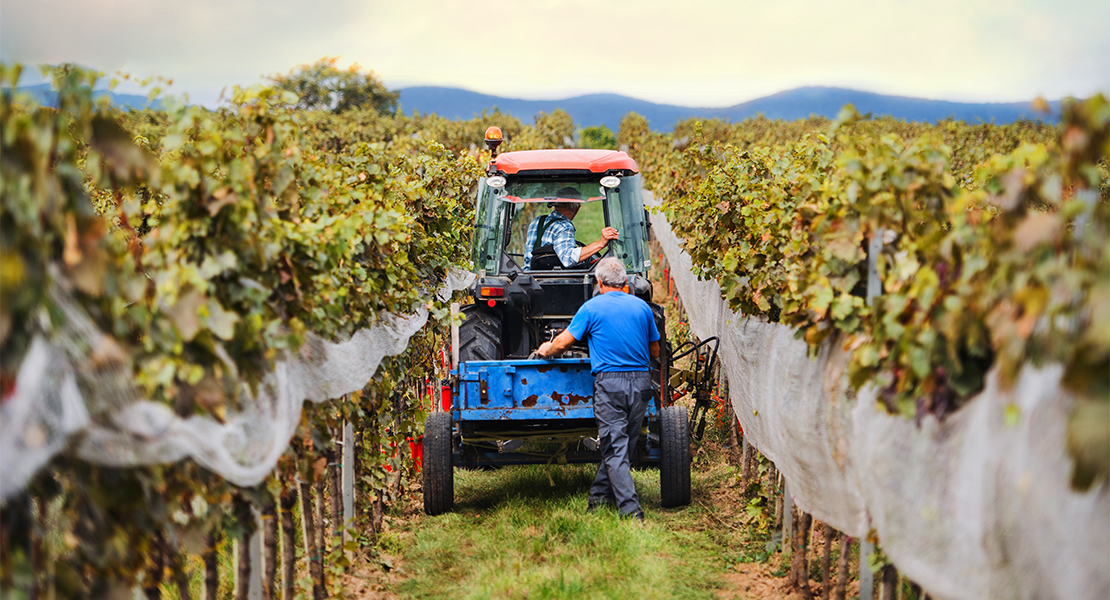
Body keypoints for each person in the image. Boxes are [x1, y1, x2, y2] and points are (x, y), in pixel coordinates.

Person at [535, 257, 660, 520]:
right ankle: (598, 499)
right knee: (622, 444)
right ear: (626, 282)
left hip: (610, 384)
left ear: (598, 282)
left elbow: (561, 345)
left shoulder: (591, 309)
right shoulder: (642, 308)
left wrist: (545, 348)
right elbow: (655, 350)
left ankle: (630, 511)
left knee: (615, 447)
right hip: (641, 382)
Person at [523, 186, 619, 269]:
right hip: (551, 282)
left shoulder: (537, 221)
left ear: (555, 204)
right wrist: (600, 244)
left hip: (528, 276)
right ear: (577, 208)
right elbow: (568, 259)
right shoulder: (564, 227)